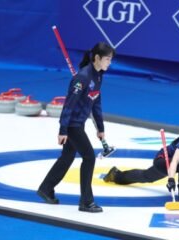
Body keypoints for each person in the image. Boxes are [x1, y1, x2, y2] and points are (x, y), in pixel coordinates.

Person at [37, 42, 115, 212]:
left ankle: (45, 188)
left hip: (79, 123)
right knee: (89, 157)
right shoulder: (82, 78)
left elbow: (96, 102)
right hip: (72, 125)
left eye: (111, 59)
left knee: (67, 157)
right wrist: (63, 130)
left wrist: (100, 128)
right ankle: (86, 201)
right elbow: (69, 106)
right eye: (107, 59)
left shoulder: (99, 75)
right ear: (97, 58)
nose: (110, 62)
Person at [103, 114, 179, 199]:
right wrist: (171, 179)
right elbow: (175, 161)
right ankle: (117, 175)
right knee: (148, 176)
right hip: (164, 160)